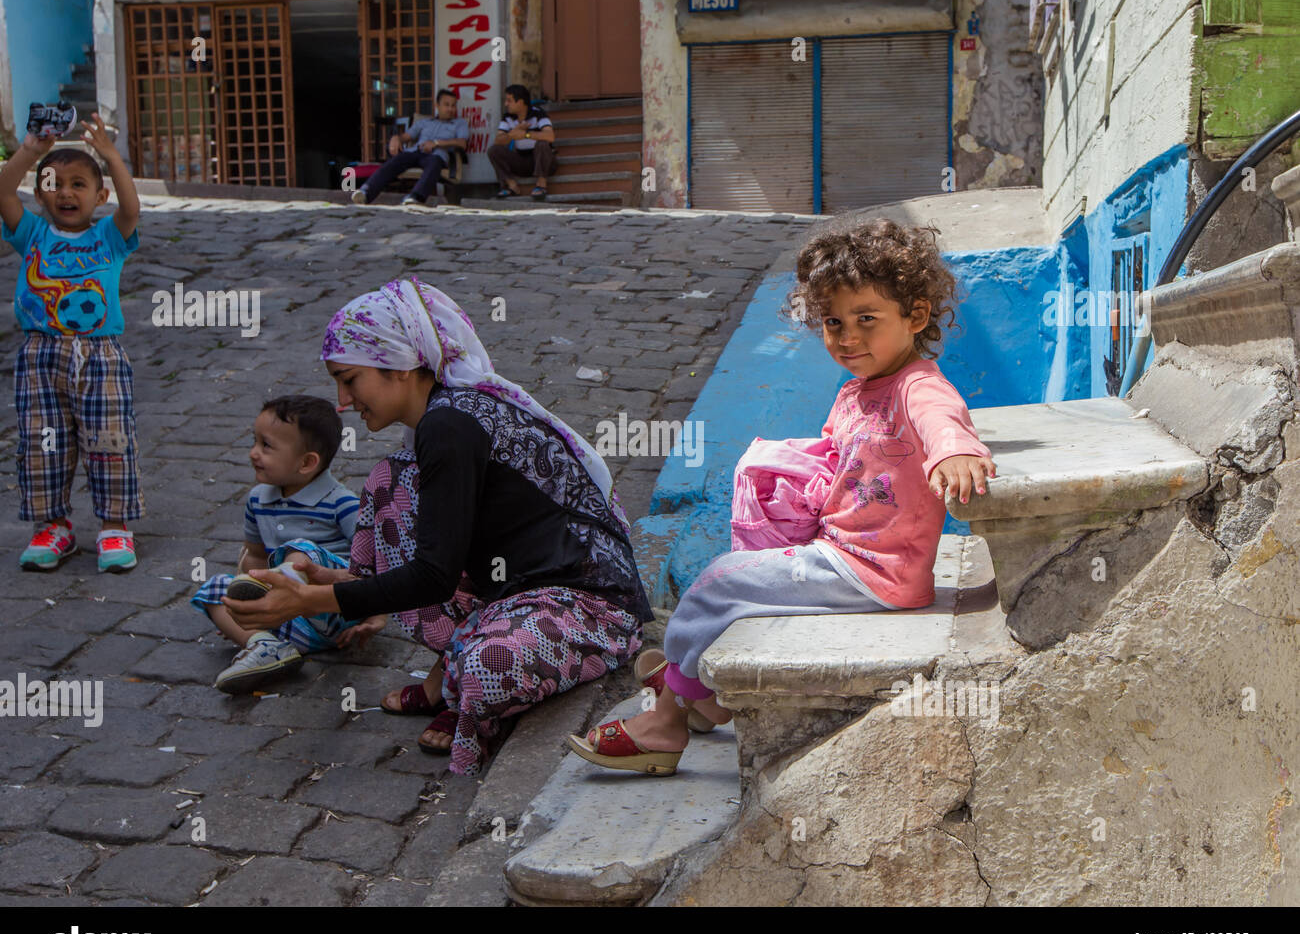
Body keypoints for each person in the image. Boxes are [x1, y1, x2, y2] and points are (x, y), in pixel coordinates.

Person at [568, 219, 998, 776]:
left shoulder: (917, 385)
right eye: (833, 322)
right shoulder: (857, 390)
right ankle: (703, 695)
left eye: (867, 319)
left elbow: (942, 417)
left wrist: (954, 452)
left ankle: (667, 721)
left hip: (873, 572)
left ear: (915, 316)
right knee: (742, 580)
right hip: (843, 554)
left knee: (718, 584)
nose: (847, 337)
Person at [224, 278, 653, 775]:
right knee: (391, 481)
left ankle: (455, 680)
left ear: (400, 367)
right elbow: (444, 552)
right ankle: (447, 674)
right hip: (510, 589)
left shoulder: (449, 425)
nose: (342, 401)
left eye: (350, 379)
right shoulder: (440, 418)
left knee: (488, 666)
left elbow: (434, 576)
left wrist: (308, 601)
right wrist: (344, 584)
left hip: (590, 606)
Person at [0, 113, 143, 573]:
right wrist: (31, 151)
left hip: (100, 355)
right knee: (44, 444)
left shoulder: (109, 236)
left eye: (78, 184)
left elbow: (132, 209)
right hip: (40, 355)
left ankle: (115, 527)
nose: (65, 192)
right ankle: (52, 527)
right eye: (53, 183)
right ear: (40, 192)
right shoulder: (33, 234)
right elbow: (2, 192)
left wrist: (110, 156)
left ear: (99, 195)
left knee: (109, 440)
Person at [190, 395, 372, 694]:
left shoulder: (343, 504)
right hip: (287, 618)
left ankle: (280, 589)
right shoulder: (258, 499)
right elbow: (256, 556)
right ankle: (264, 644)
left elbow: (377, 564)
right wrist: (245, 602)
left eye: (266, 446)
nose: (253, 453)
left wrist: (375, 618)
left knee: (299, 548)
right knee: (213, 589)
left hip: (333, 614)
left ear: (307, 462)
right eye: (255, 442)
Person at [351, 89, 469, 206]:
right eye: (446, 105)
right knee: (394, 162)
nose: (451, 109)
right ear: (437, 105)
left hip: (436, 155)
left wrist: (436, 143)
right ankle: (365, 193)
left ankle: (415, 198)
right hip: (415, 152)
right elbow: (407, 136)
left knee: (434, 164)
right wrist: (396, 138)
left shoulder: (460, 123)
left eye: (453, 105)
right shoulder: (425, 122)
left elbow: (462, 143)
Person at [487, 84, 556, 201]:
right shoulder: (507, 117)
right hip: (521, 161)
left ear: (520, 102)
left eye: (509, 101)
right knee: (494, 150)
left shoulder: (538, 114)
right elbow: (498, 140)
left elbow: (550, 136)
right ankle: (510, 185)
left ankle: (541, 184)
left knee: (542, 144)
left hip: (544, 161)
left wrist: (526, 134)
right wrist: (512, 133)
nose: (506, 104)